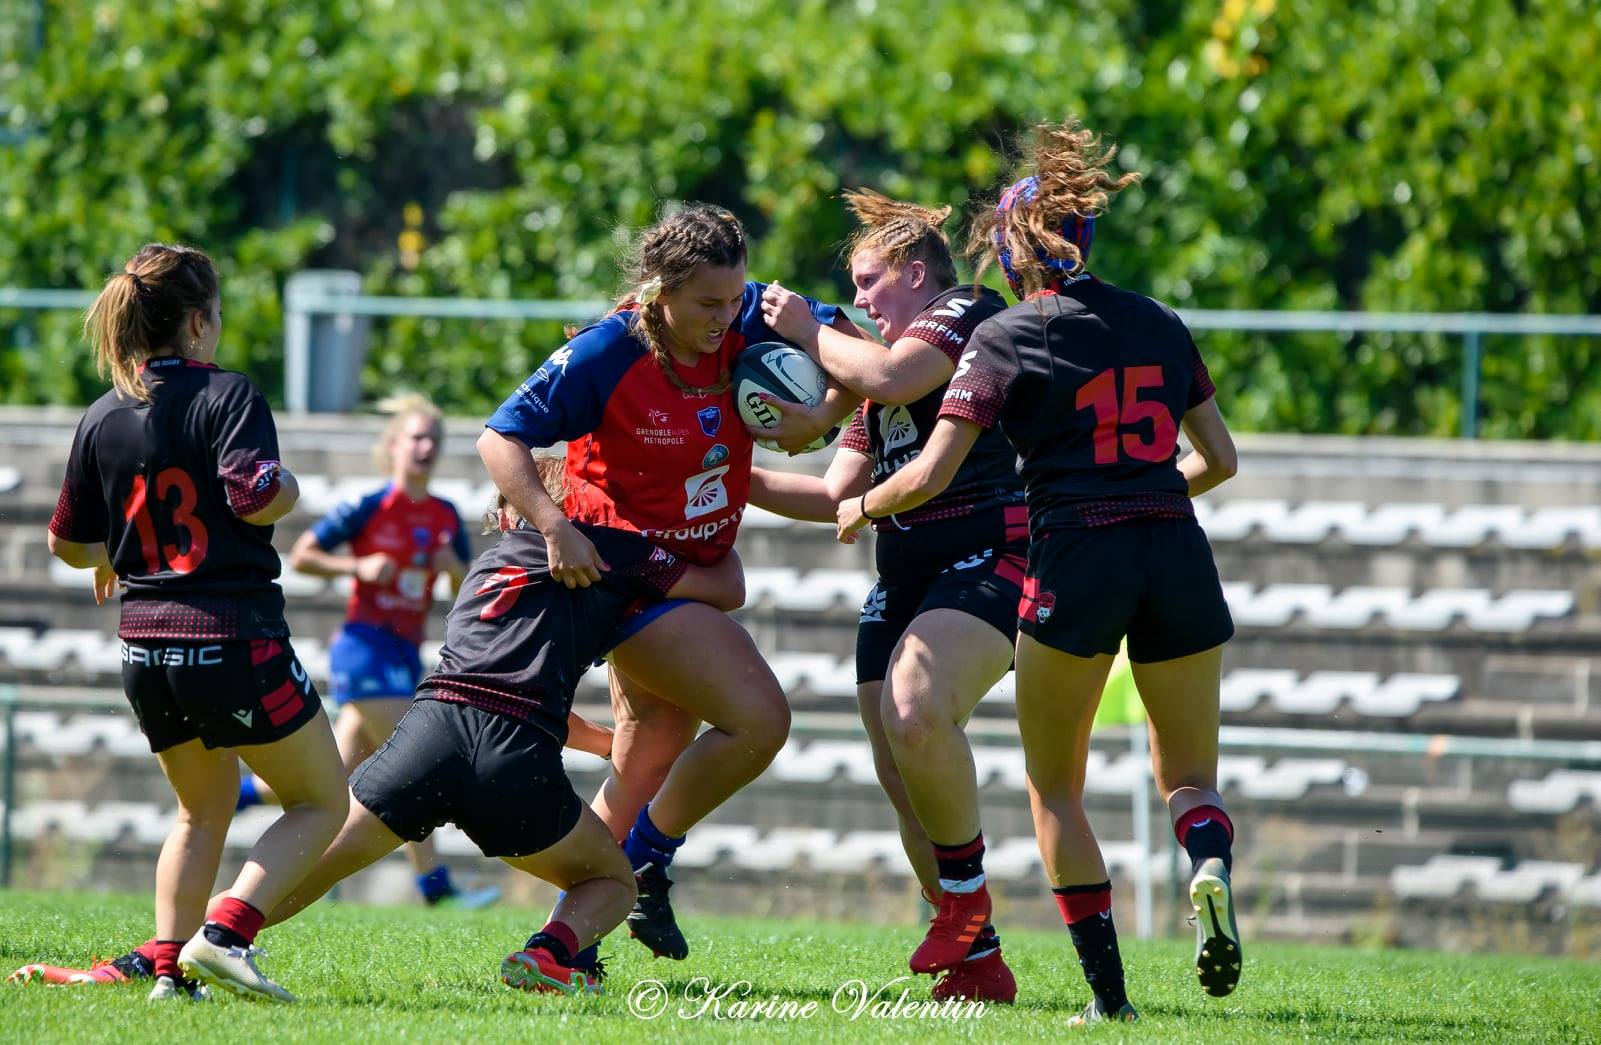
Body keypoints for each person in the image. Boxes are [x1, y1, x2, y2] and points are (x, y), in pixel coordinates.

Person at [834, 119, 1242, 1025]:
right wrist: (1141, 490)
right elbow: (1219, 459)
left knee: (1054, 786)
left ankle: (1109, 1000)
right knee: (1188, 778)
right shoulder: (1159, 321)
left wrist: (862, 506)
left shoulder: (1006, 334)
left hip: (1075, 556)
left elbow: (930, 472)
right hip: (1177, 548)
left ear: (1011, 252)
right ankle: (1208, 859)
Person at [477, 202, 859, 962]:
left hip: (691, 569)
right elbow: (499, 436)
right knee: (759, 720)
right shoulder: (608, 350)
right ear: (660, 290)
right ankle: (643, 861)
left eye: (734, 297)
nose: (725, 318)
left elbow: (857, 350)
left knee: (647, 753)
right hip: (628, 574)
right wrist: (553, 527)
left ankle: (565, 942)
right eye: (707, 303)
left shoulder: (751, 313)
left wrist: (824, 412)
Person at [249, 479, 747, 994]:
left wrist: (605, 743)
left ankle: (216, 933)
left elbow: (495, 687)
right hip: (511, 758)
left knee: (309, 868)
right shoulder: (601, 556)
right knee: (613, 880)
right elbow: (729, 588)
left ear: (508, 519)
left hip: (430, 734)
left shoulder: (484, 567)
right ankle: (549, 952)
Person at [37, 244, 349, 1003]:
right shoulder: (228, 393)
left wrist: (114, 554)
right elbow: (255, 495)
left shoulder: (102, 414)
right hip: (231, 634)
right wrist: (291, 487)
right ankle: (227, 934)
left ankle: (169, 973)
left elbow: (66, 544)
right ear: (200, 322)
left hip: (144, 647)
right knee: (322, 800)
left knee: (200, 809)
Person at [749, 189, 1022, 1003]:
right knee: (901, 773)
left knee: (913, 711)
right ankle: (977, 957)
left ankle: (966, 900)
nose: (862, 301)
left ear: (913, 272)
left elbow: (893, 372)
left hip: (989, 550)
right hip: (901, 576)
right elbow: (831, 490)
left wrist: (809, 330)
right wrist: (723, 474)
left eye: (869, 282)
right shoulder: (875, 376)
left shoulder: (966, 312)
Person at [236, 393, 497, 909]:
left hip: (405, 653)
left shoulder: (445, 515)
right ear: (393, 446)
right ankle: (435, 885)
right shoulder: (369, 507)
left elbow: (463, 590)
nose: (425, 447)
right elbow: (304, 555)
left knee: (330, 778)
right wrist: (358, 567)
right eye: (416, 437)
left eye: (433, 439)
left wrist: (451, 566)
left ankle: (238, 796)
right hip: (364, 650)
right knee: (417, 762)